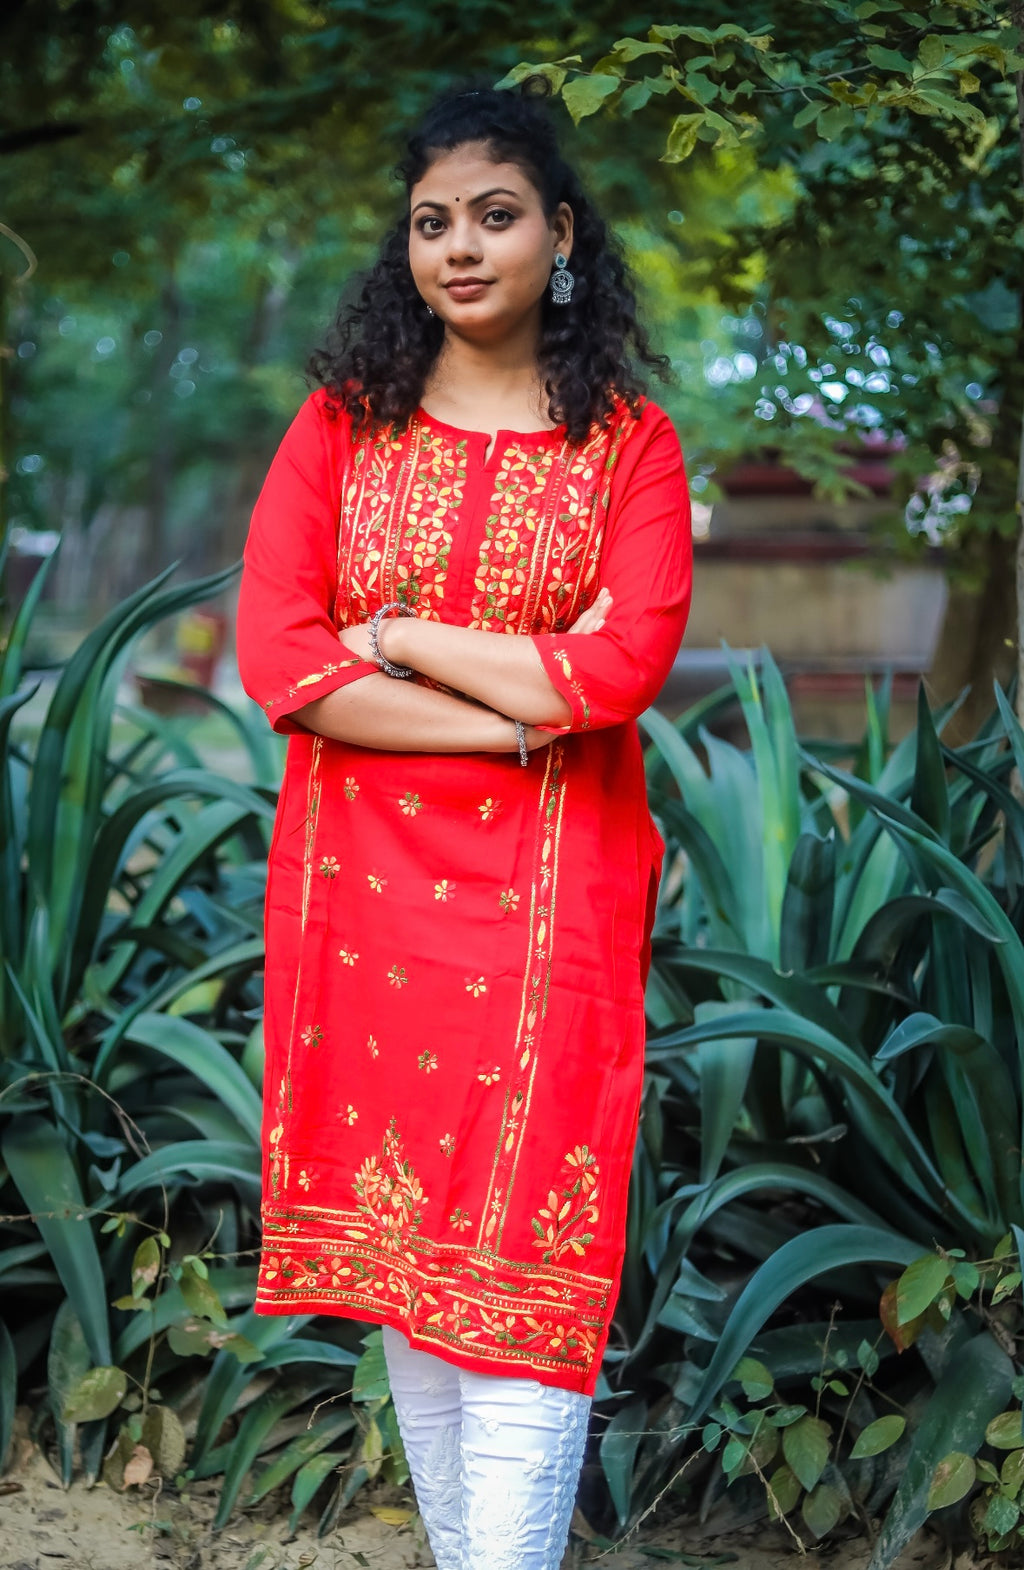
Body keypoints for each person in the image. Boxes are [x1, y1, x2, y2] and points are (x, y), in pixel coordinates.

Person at [236, 82, 692, 1570]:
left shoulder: (630, 445)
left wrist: (404, 637)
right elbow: (281, 664)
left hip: (550, 905)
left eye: (495, 216)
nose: (461, 246)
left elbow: (621, 674)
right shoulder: (340, 426)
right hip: (362, 902)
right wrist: (519, 713)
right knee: (416, 1277)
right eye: (433, 222)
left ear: (560, 235)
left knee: (523, 1278)